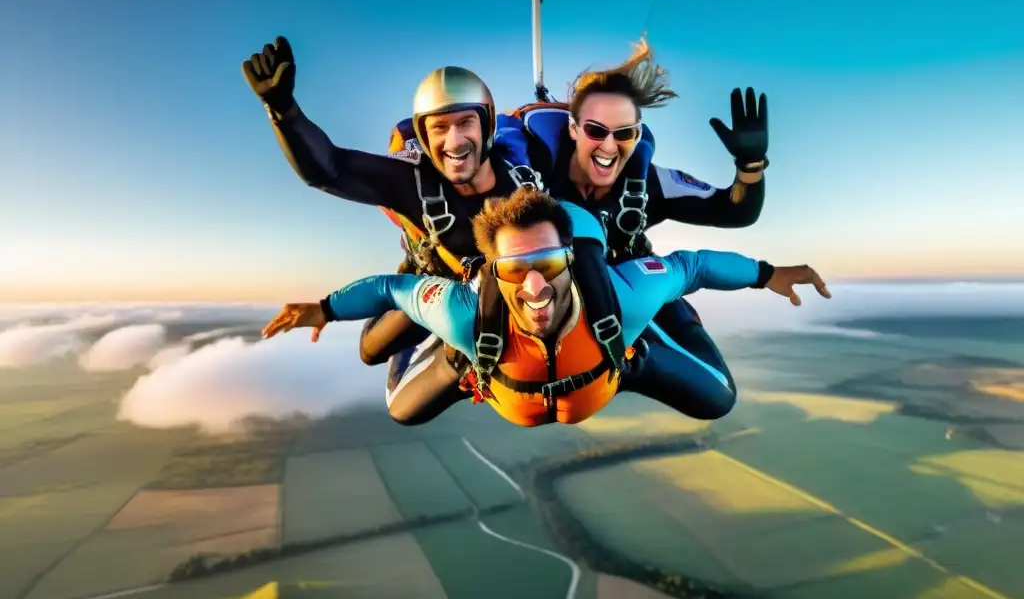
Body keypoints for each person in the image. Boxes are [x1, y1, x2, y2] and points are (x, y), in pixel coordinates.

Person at [262, 188, 831, 428]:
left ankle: (656, 340)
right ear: (493, 273)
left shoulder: (622, 299)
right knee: (400, 409)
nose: (533, 287)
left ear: (571, 261)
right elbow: (394, 289)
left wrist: (767, 275)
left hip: (615, 360)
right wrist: (325, 309)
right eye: (513, 270)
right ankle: (452, 360)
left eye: (550, 266)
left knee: (719, 399)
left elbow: (692, 266)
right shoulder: (465, 315)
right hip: (485, 369)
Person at [242, 36, 544, 408]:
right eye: (439, 128)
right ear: (423, 134)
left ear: (488, 126)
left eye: (466, 122)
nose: (454, 140)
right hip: (431, 283)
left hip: (507, 292)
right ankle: (442, 332)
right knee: (370, 350)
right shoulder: (413, 183)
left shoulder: (525, 176)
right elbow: (330, 169)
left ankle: (458, 351)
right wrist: (283, 111)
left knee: (405, 408)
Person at [493, 41, 768, 411]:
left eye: (624, 134)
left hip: (626, 290)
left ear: (637, 137)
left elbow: (735, 211)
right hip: (539, 296)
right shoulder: (529, 174)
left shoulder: (644, 184)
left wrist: (750, 168)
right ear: (573, 129)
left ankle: (615, 367)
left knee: (717, 396)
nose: (609, 146)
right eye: (595, 130)